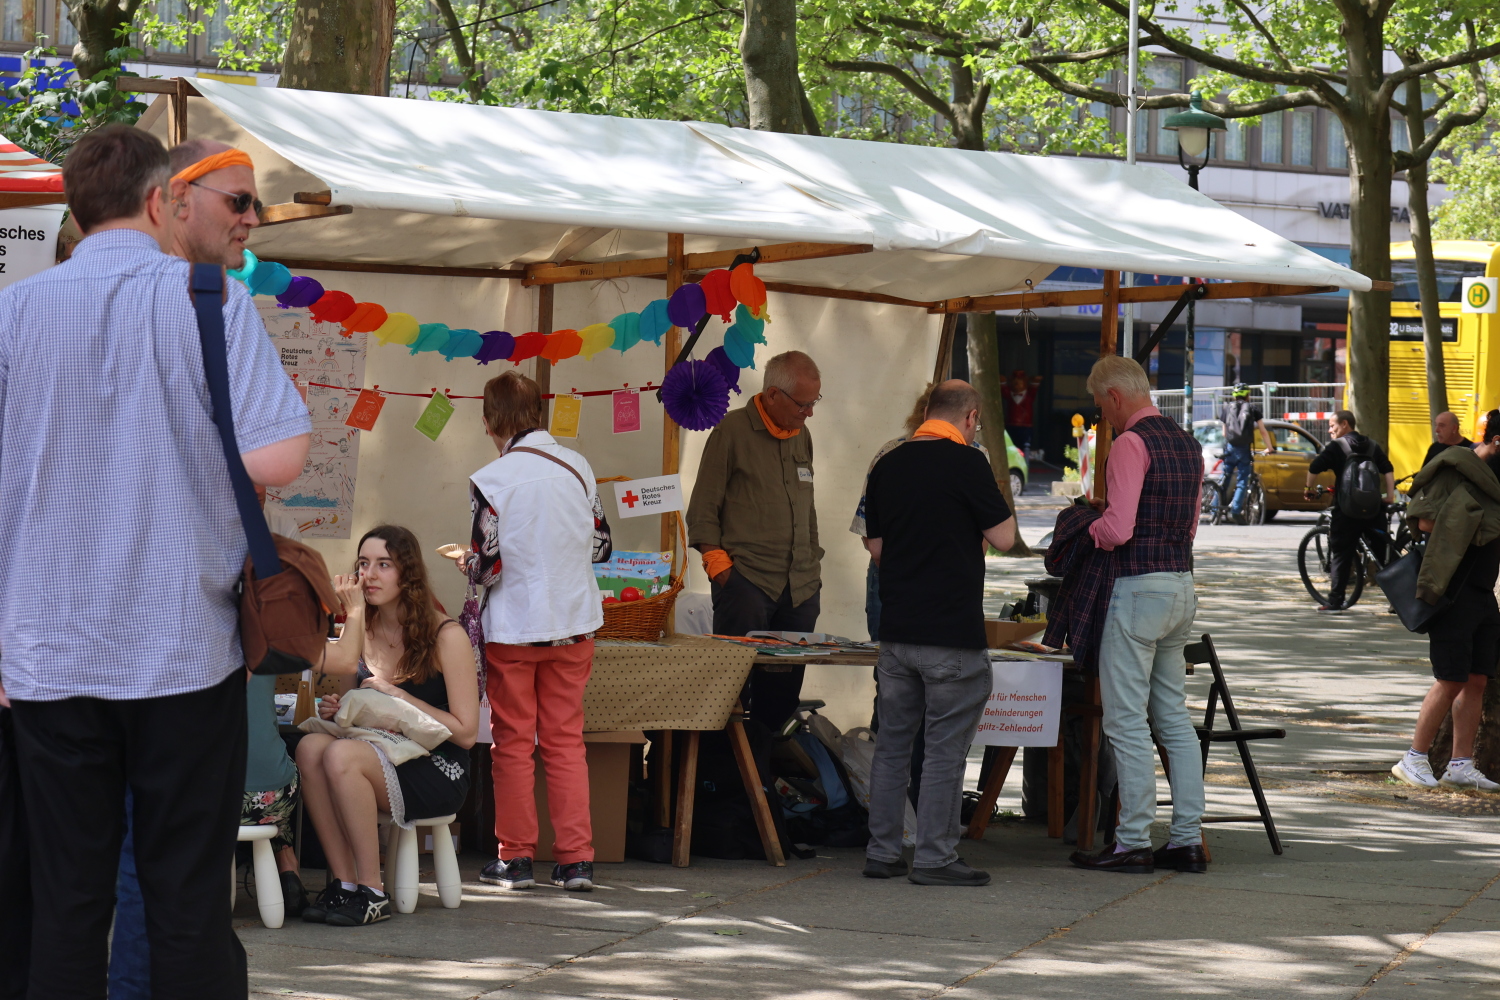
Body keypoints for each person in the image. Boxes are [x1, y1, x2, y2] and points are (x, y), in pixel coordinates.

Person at [0, 125, 310, 998]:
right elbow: (281, 453)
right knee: (182, 896)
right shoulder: (206, 299)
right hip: (180, 641)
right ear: (155, 200)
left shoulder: (14, 311)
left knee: (64, 900)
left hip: (47, 651)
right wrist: (180, 449)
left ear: (73, 207)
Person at [861, 380, 1016, 887]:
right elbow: (1005, 537)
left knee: (892, 746)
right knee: (945, 749)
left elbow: (876, 547)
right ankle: (933, 857)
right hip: (951, 632)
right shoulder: (968, 464)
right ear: (970, 419)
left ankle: (882, 852)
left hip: (898, 632)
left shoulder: (888, 463)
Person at [457, 370, 603, 893]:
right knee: (566, 742)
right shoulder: (580, 467)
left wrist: (466, 564)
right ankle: (576, 861)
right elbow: (602, 546)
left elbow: (488, 564)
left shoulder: (490, 480)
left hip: (515, 630)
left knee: (513, 744)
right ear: (538, 413)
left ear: (490, 421)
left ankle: (515, 858)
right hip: (573, 624)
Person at [297, 526, 479, 926]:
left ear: (408, 574)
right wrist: (336, 708)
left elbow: (466, 732)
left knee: (343, 754)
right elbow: (354, 705)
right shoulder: (362, 628)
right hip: (376, 751)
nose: (370, 575)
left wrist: (397, 696)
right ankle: (344, 885)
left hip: (438, 766)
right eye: (363, 564)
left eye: (384, 564)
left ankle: (373, 890)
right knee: (310, 748)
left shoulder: (446, 635)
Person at [1069, 356, 1207, 876]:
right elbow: (1190, 524)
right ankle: (1187, 839)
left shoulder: (1131, 443)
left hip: (1137, 588)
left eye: (1100, 404)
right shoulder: (1188, 443)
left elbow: (1119, 529)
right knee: (1173, 720)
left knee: (1126, 723)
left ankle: (1131, 841)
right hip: (1180, 584)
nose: (1101, 415)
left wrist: (1089, 526)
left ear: (1115, 396)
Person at [688, 350, 824, 731]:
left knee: (780, 699)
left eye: (814, 402)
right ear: (773, 395)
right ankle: (726, 786)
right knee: (730, 695)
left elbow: (807, 504)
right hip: (747, 583)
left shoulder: (803, 436)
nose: (809, 412)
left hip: (799, 588)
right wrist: (722, 571)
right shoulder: (731, 431)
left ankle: (763, 784)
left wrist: (812, 563)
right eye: (803, 403)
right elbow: (702, 509)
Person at [1392, 409, 1500, 792]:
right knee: (1449, 677)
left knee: (1476, 679)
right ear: (1497, 441)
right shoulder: (1456, 466)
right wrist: (1476, 521)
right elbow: (1424, 521)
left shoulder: (1495, 479)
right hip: (1452, 590)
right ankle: (1413, 758)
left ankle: (1460, 764)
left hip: (1483, 592)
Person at [1303, 410, 1397, 612]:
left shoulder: (1337, 447)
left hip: (1346, 511)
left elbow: (1314, 467)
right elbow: (1388, 468)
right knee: (1383, 556)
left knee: (1341, 554)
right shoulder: (1372, 445)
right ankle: (1400, 599)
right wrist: (1390, 496)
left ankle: (1336, 601)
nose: (1330, 430)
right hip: (1373, 510)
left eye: (1332, 426)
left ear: (1345, 424)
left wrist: (1308, 489)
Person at [1218, 383, 1274, 519]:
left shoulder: (1226, 408)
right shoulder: (1253, 408)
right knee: (1242, 480)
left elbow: (1224, 433)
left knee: (1224, 478)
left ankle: (1215, 510)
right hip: (1243, 450)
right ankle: (1236, 511)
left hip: (1230, 448)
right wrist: (1270, 447)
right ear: (1248, 395)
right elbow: (1262, 431)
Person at [1004, 369, 1042, 454]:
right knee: (1011, 445)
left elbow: (1034, 386)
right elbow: (1003, 390)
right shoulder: (1009, 394)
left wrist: (1035, 381)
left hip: (1026, 425)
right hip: (1011, 424)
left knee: (1025, 445)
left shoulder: (1029, 395)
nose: (1017, 385)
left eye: (1020, 382)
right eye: (1015, 382)